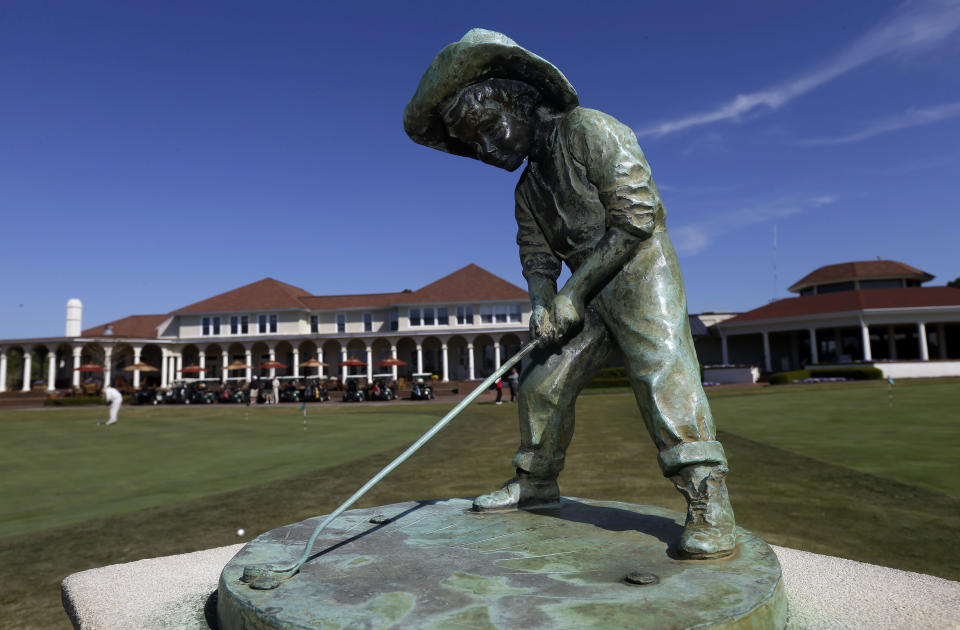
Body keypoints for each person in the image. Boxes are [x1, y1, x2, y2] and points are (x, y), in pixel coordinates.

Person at [405, 29, 736, 559]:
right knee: (541, 379)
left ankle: (708, 500)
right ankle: (536, 483)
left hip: (638, 269)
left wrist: (572, 294)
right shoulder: (527, 188)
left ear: (521, 102)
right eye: (476, 143)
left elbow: (637, 218)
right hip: (585, 291)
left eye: (491, 128)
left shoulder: (590, 130)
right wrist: (543, 303)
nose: (488, 149)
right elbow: (537, 257)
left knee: (662, 370)